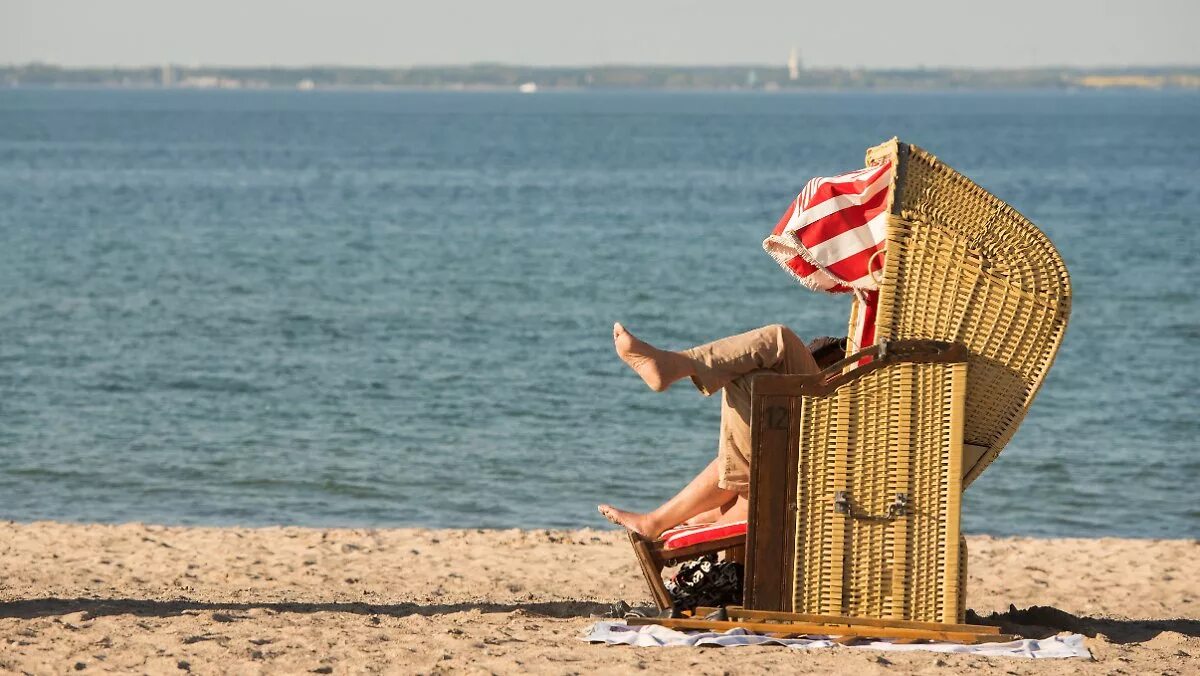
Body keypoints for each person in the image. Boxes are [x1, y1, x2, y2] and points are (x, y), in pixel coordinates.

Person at [598, 322, 845, 540]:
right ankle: (657, 522)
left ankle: (674, 365)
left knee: (779, 338)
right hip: (817, 431)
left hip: (835, 428)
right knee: (749, 378)